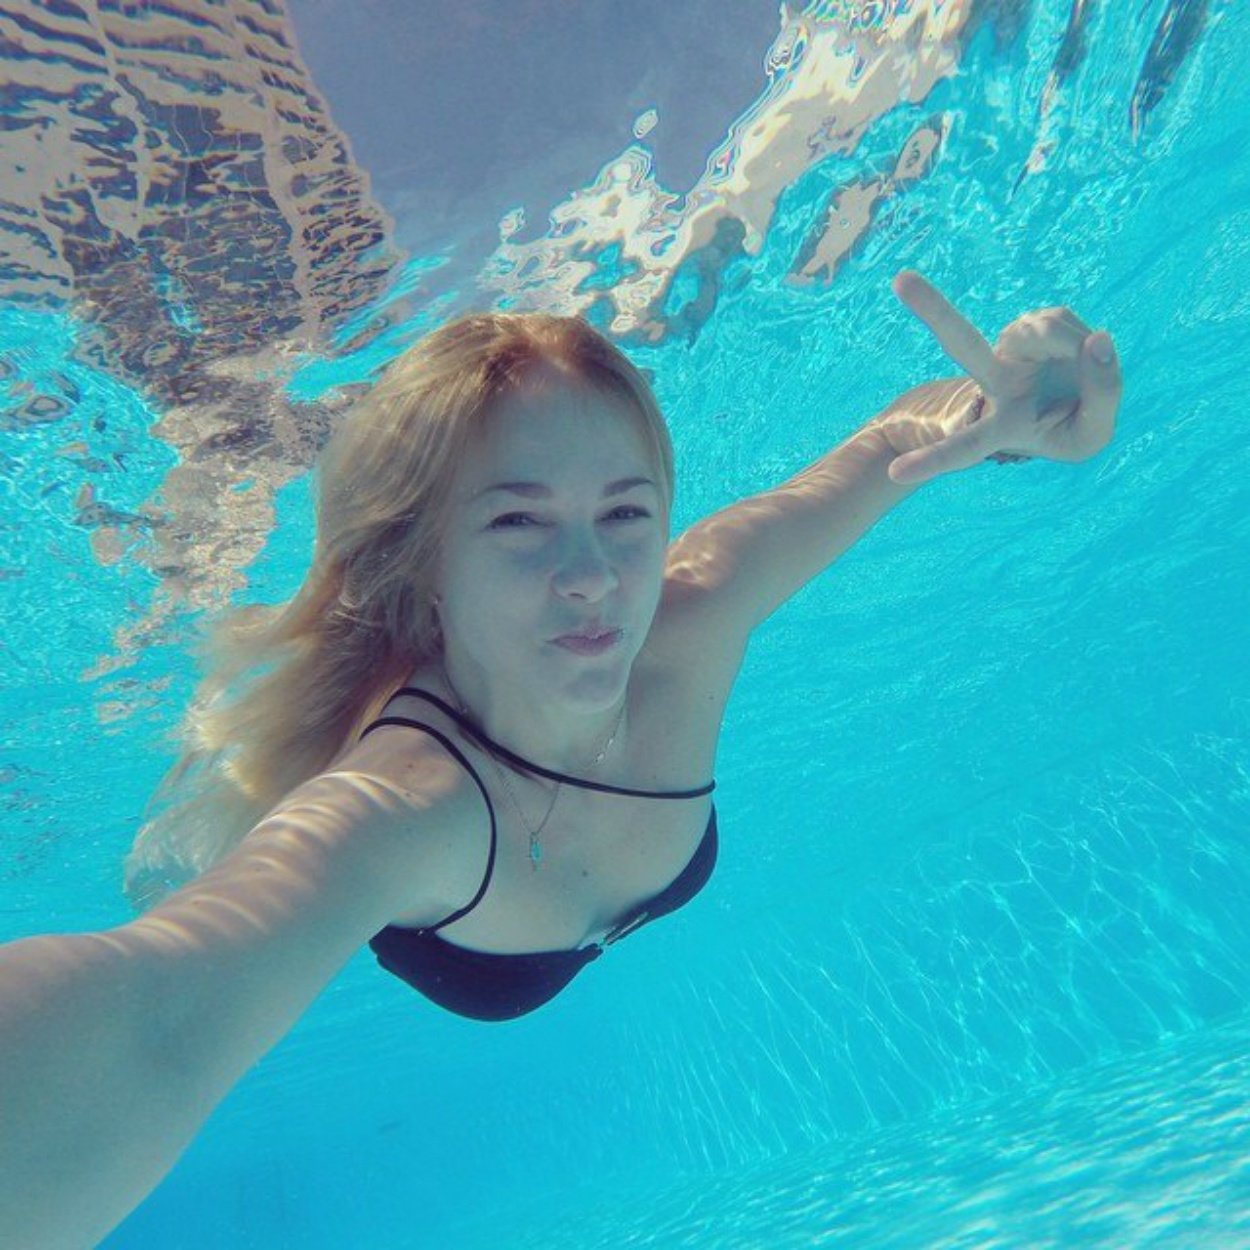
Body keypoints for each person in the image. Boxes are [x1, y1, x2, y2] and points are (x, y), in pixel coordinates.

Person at [0, 270, 1122, 1248]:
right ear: (423, 559)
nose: (592, 577)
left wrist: (1002, 415)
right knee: (179, 865)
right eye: (518, 522)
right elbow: (153, 1015)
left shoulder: (693, 614)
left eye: (625, 513)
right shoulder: (406, 806)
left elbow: (889, 447)